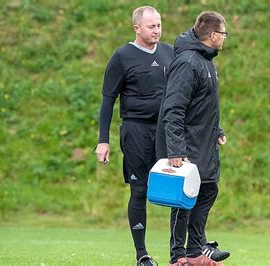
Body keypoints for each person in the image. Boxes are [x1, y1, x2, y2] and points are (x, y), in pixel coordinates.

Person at [94, 6, 174, 266]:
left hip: (165, 132)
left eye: (159, 25)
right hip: (136, 131)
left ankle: (181, 252)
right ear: (137, 28)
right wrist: (103, 140)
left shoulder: (169, 52)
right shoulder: (122, 56)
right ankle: (142, 254)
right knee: (139, 191)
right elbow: (108, 100)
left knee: (179, 189)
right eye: (151, 26)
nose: (157, 31)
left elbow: (183, 94)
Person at [155, 11, 230, 266]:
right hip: (186, 145)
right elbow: (173, 108)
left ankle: (195, 251)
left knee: (208, 189)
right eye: (223, 33)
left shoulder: (206, 59)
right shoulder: (188, 62)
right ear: (212, 35)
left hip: (204, 141)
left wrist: (217, 129)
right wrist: (175, 150)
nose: (225, 38)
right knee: (185, 198)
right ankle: (178, 256)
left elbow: (204, 103)